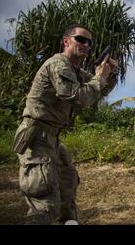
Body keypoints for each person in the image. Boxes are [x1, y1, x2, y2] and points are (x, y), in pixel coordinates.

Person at [13, 24, 118, 224]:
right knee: (44, 201)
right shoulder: (58, 64)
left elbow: (99, 90)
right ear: (66, 41)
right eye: (81, 39)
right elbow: (79, 98)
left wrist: (109, 74)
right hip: (37, 136)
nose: (86, 44)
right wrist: (99, 77)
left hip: (52, 137)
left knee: (67, 186)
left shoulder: (75, 71)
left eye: (89, 42)